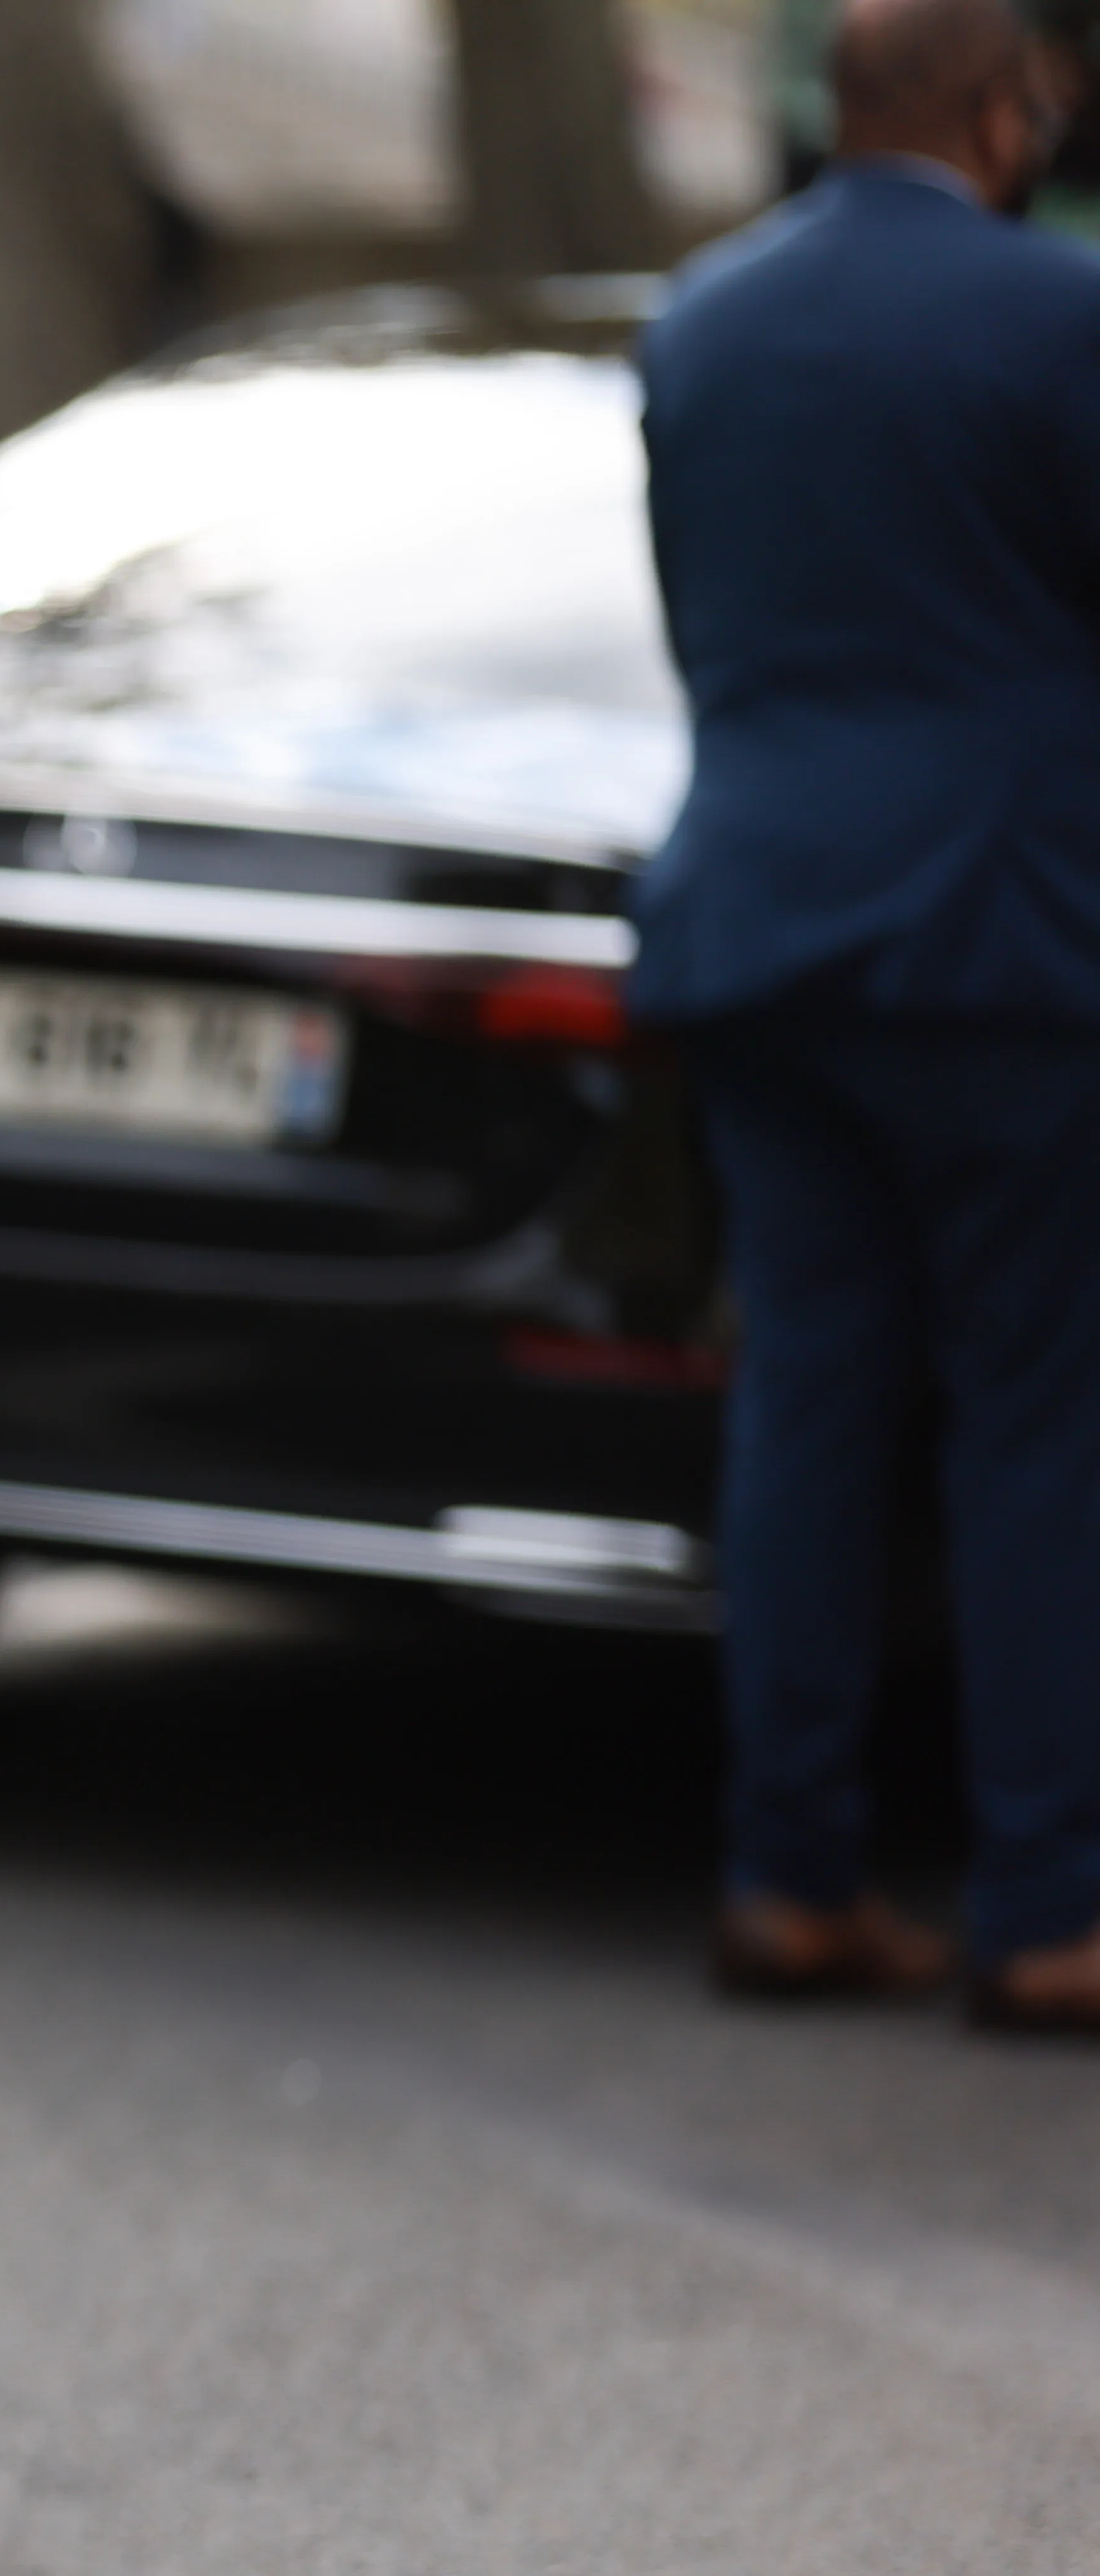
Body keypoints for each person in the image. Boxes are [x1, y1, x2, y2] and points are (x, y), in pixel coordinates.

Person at [634, 0, 1100, 2036]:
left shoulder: (699, 329)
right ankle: (1048, 1909)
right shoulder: (1053, 319)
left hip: (755, 922)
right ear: (1002, 111)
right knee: (1034, 1425)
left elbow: (714, 625)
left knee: (810, 1403)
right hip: (1000, 948)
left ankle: (788, 1876)